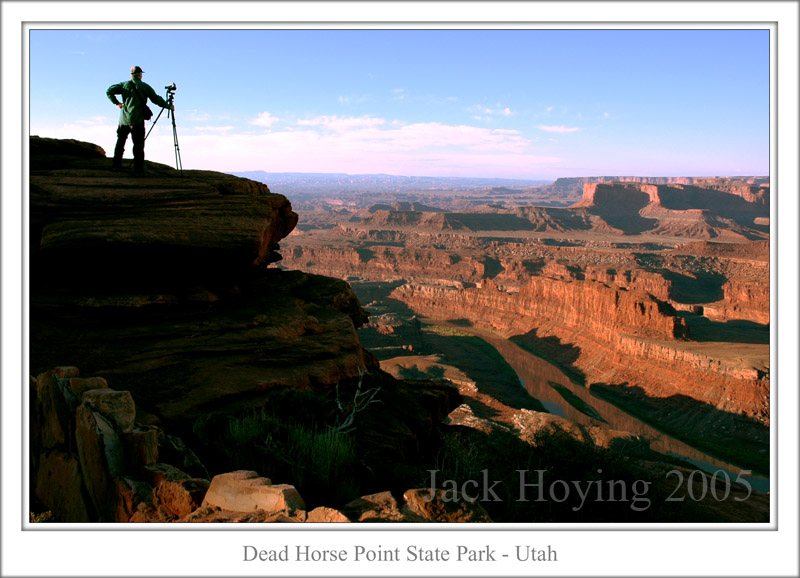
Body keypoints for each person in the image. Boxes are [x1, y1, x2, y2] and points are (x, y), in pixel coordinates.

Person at [106, 66, 174, 174]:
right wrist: (168, 106)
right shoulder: (144, 86)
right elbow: (155, 99)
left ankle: (116, 166)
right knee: (138, 146)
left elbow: (109, 91)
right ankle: (138, 170)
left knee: (120, 144)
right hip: (137, 121)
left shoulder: (123, 85)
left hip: (124, 120)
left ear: (131, 74)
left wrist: (118, 103)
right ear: (139, 74)